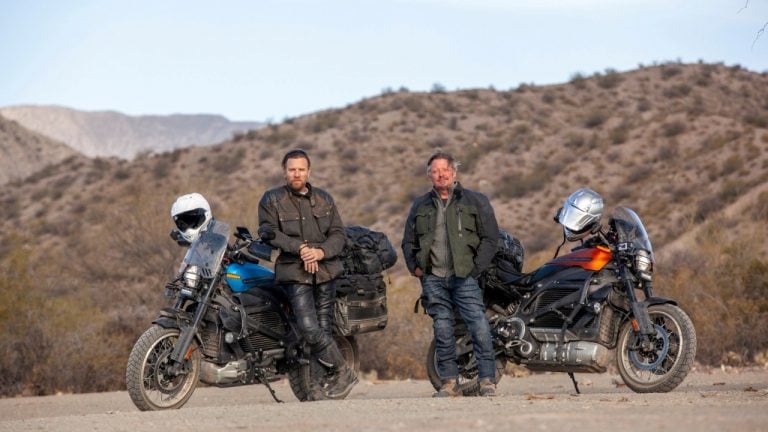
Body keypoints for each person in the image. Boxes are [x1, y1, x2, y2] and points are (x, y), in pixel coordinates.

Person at [258, 148, 357, 400]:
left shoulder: (324, 199)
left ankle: (317, 388)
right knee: (309, 328)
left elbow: (339, 234)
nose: (296, 174)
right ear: (284, 172)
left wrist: (320, 253)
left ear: (309, 171)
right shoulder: (271, 199)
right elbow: (268, 232)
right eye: (292, 169)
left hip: (326, 272)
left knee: (322, 329)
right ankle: (342, 371)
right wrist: (301, 249)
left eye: (301, 169)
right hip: (295, 273)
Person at [402, 150, 499, 397]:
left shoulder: (475, 200)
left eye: (444, 170)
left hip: (464, 276)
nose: (440, 175)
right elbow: (408, 241)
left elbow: (490, 238)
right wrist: (415, 267)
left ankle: (488, 379)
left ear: (454, 172)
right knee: (443, 329)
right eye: (435, 171)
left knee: (478, 324)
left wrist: (476, 268)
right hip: (433, 277)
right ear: (429, 176)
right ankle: (448, 382)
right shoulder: (420, 204)